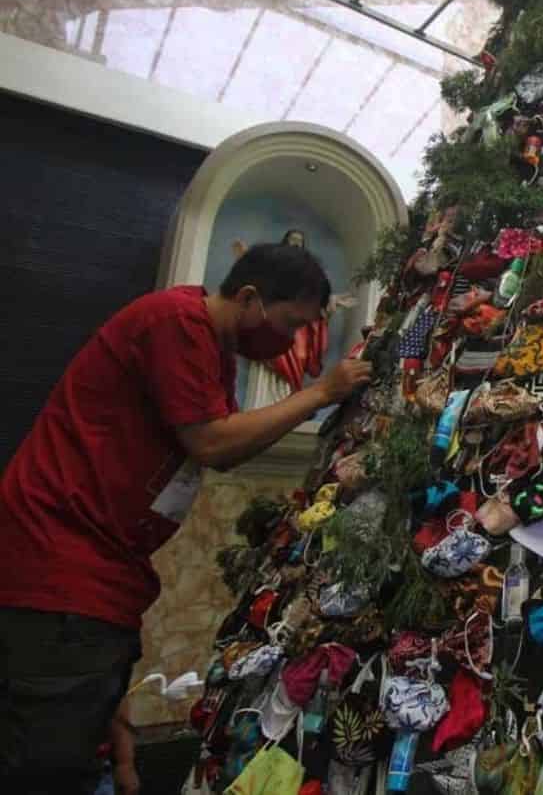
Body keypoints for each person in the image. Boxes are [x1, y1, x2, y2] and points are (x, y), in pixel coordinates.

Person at [0, 243, 372, 791]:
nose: (292, 343)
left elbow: (229, 444)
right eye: (290, 324)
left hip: (102, 572)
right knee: (47, 763)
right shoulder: (175, 322)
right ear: (249, 298)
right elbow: (212, 443)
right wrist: (320, 392)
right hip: (60, 567)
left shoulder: (213, 351)